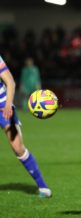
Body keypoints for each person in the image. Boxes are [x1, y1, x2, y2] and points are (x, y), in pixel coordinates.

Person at [0, 55, 52, 198]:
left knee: (17, 147)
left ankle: (43, 187)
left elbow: (10, 82)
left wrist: (8, 105)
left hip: (2, 106)